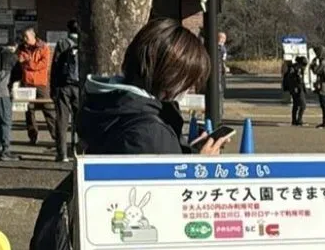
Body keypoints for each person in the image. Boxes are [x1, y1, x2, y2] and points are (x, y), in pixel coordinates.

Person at [78, 17, 231, 156]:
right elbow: (166, 184)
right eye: (187, 80)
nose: (188, 88)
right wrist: (200, 168)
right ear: (170, 78)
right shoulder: (149, 133)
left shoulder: (108, 104)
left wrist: (188, 152)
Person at [15, 27, 57, 147]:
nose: (24, 39)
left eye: (26, 37)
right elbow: (18, 62)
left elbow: (43, 65)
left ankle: (56, 136)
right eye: (23, 37)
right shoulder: (21, 48)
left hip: (41, 83)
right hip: (26, 83)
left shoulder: (44, 47)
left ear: (33, 37)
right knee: (29, 111)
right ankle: (32, 137)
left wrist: (28, 61)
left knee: (48, 109)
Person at [50, 20, 82, 162]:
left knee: (62, 120)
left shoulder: (62, 43)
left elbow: (55, 66)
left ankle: (61, 153)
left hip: (63, 86)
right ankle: (78, 150)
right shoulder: (84, 43)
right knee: (79, 119)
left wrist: (53, 87)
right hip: (78, 86)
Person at [282, 56, 307, 126]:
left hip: (295, 88)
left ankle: (294, 120)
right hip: (297, 88)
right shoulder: (296, 69)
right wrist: (296, 87)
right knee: (303, 105)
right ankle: (299, 119)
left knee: (296, 104)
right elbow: (295, 80)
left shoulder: (295, 68)